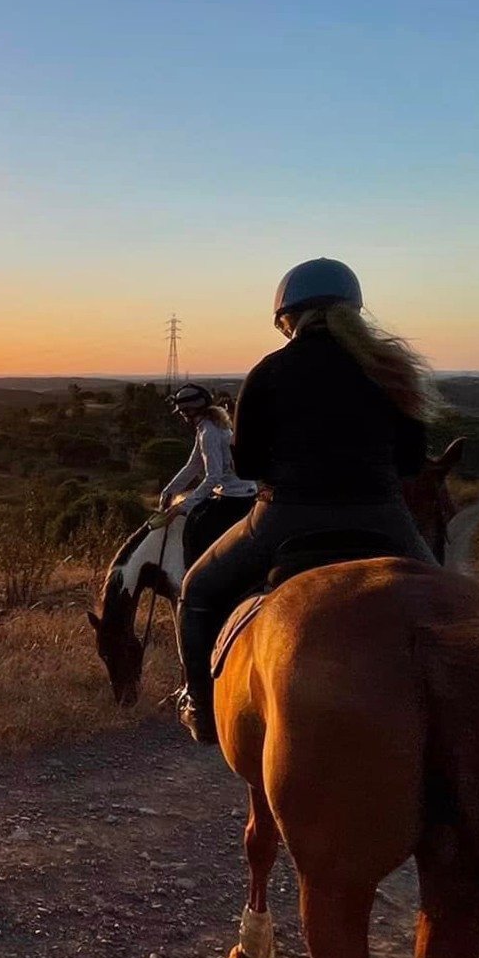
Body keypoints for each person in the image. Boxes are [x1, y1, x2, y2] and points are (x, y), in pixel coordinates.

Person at [174, 260, 439, 745]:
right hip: (383, 517)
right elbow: (410, 462)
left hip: (285, 517)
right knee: (450, 601)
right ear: (354, 312)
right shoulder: (391, 370)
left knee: (199, 591)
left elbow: (250, 465)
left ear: (287, 318)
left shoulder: (270, 371)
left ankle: (201, 706)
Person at [158, 382, 257, 564]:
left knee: (196, 531)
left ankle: (194, 574)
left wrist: (184, 506)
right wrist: (169, 491)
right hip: (234, 492)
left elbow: (213, 476)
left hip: (234, 497)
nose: (182, 416)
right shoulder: (208, 426)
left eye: (182, 412)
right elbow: (193, 466)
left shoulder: (208, 432)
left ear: (190, 411)